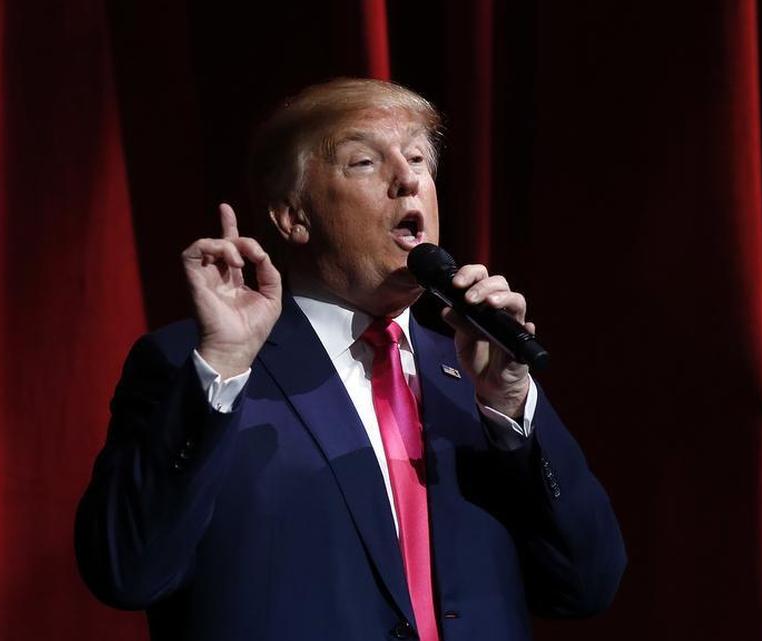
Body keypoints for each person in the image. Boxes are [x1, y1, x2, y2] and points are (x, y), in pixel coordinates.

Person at [74, 78, 626, 641]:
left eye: (416, 158)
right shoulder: (201, 366)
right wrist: (221, 365)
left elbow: (587, 585)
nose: (407, 178)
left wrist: (511, 407)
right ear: (294, 217)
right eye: (365, 162)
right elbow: (127, 573)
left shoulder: (479, 372)